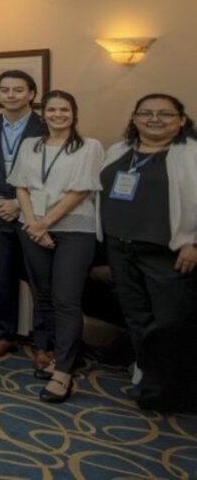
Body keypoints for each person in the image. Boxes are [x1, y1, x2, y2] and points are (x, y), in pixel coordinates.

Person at [96, 93, 197, 414]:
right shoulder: (119, 151)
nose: (154, 119)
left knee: (170, 323)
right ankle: (151, 386)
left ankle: (178, 391)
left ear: (181, 120)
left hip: (168, 252)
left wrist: (194, 242)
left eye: (165, 114)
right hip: (120, 247)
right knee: (137, 319)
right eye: (146, 113)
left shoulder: (191, 155)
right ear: (135, 118)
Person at [9, 91, 102, 403]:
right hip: (32, 227)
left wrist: (44, 223)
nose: (58, 115)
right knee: (44, 296)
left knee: (66, 299)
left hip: (74, 229)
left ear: (73, 114)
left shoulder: (89, 147)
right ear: (43, 113)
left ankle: (64, 369)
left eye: (64, 109)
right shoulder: (30, 145)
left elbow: (81, 191)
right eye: (52, 110)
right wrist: (34, 225)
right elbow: (20, 186)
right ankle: (49, 355)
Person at [0, 70, 44, 359]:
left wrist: (18, 202)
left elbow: (50, 176)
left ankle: (44, 341)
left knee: (40, 278)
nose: (11, 95)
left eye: (18, 90)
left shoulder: (46, 126)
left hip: (33, 214)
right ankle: (5, 334)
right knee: (2, 277)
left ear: (31, 93)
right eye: (5, 90)